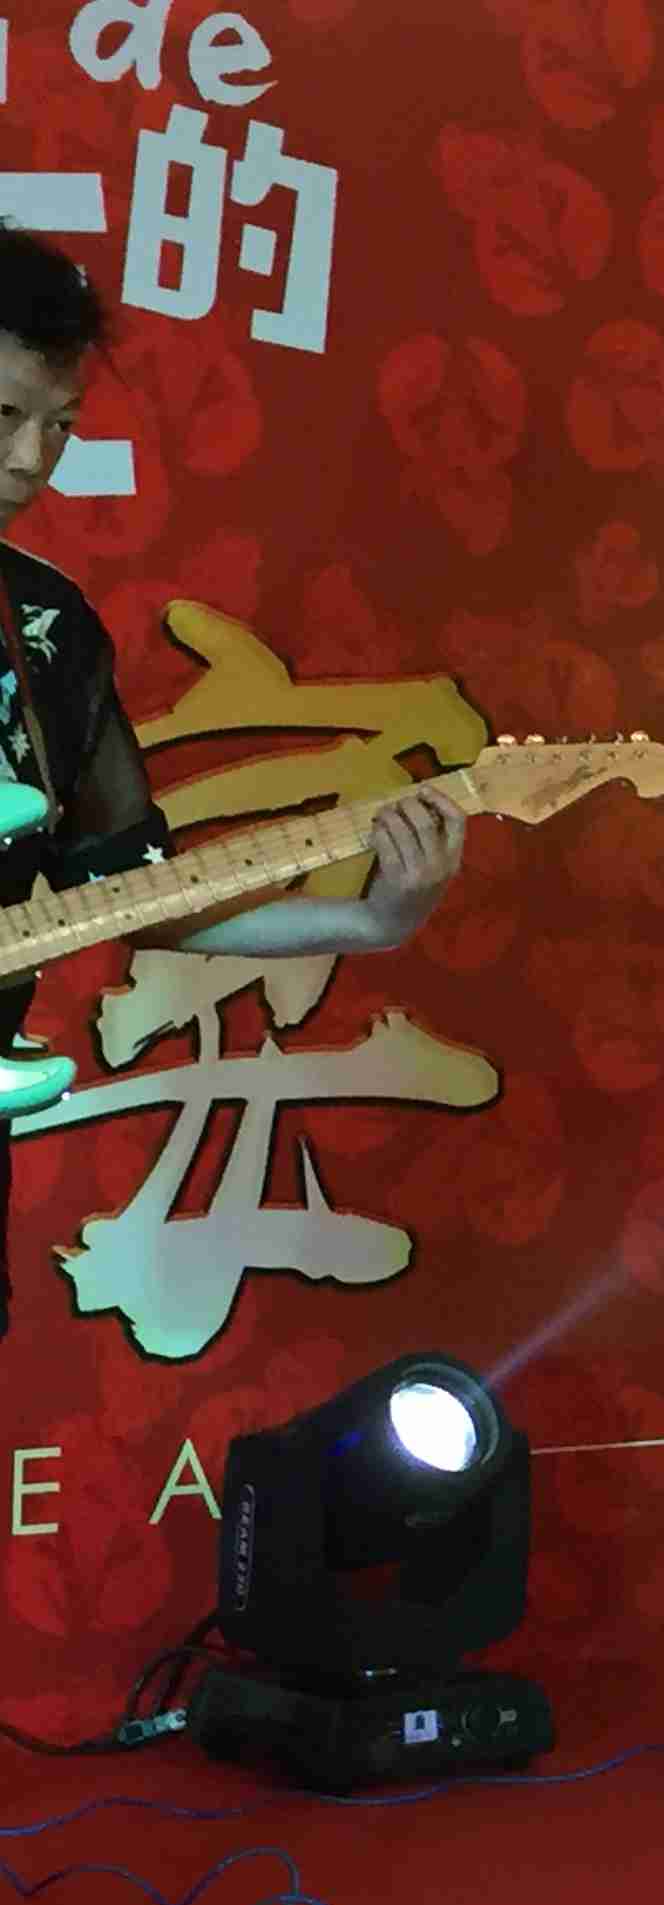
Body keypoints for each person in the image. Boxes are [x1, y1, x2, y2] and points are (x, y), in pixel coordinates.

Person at [0, 228, 466, 1335]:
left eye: (58, 427)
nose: (29, 460)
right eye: (4, 415)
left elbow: (140, 895)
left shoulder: (49, 631)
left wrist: (371, 920)